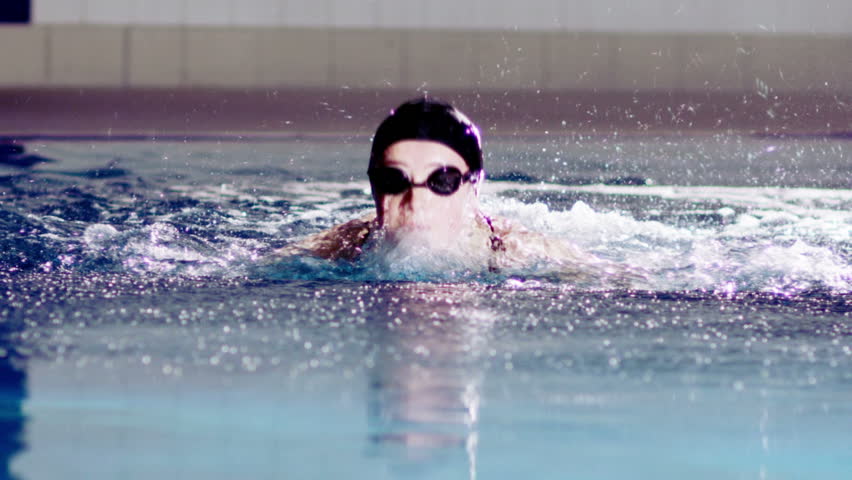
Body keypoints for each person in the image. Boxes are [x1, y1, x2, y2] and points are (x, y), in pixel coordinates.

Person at [277, 98, 633, 283]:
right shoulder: (346, 246)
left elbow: (622, 277)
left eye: (441, 181)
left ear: (472, 187)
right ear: (374, 188)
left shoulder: (511, 251)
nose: (416, 201)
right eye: (394, 181)